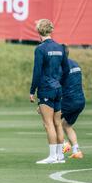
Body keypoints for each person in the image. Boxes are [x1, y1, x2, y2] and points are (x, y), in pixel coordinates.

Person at [30, 19, 70, 164]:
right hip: (58, 89)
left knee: (48, 124)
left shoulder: (40, 49)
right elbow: (66, 70)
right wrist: (60, 83)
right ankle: (60, 156)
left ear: (38, 31)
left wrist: (32, 90)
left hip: (46, 89)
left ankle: (52, 156)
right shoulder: (60, 47)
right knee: (57, 123)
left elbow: (37, 72)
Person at [61, 46, 85, 159]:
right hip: (80, 100)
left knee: (49, 120)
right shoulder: (76, 64)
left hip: (69, 101)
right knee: (66, 124)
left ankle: (64, 144)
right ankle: (76, 151)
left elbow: (56, 86)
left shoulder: (60, 67)